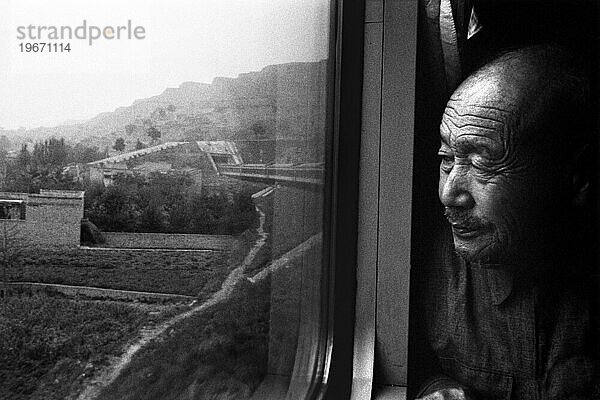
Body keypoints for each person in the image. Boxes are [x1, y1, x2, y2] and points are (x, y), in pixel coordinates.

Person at [416, 45, 599, 399]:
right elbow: (422, 368)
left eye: (482, 163)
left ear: (577, 177)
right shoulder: (435, 267)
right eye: (447, 158)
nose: (450, 193)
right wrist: (442, 390)